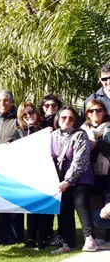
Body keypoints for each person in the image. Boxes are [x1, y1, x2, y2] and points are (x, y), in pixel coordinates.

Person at [50, 107, 96, 254]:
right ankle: (68, 243)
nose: (67, 121)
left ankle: (90, 238)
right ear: (58, 119)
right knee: (64, 210)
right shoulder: (53, 135)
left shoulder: (80, 135)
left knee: (81, 205)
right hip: (61, 179)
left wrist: (68, 180)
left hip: (80, 178)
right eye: (63, 117)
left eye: (70, 118)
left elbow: (80, 161)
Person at [0, 90, 23, 244]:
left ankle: (16, 236)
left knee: (15, 203)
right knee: (0, 202)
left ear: (12, 102)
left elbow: (24, 141)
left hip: (14, 166)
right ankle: (2, 236)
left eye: (5, 100)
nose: (2, 104)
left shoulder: (18, 119)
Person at [14, 102, 48, 249]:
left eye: (31, 112)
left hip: (44, 172)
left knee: (43, 207)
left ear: (36, 112)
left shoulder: (45, 127)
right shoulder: (18, 132)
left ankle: (43, 237)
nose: (29, 116)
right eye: (25, 115)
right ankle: (31, 238)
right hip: (27, 174)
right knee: (31, 208)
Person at [82, 99, 110, 244]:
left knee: (108, 204)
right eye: (91, 110)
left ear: (104, 112)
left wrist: (95, 143)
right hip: (89, 172)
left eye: (98, 110)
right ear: (87, 113)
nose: (95, 113)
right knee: (93, 204)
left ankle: (105, 235)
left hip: (108, 172)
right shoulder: (82, 130)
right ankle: (98, 235)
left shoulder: (109, 128)